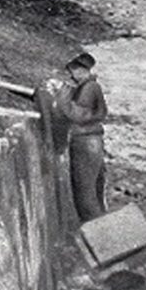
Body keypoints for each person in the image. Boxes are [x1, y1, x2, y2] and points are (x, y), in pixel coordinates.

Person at [57, 52, 108, 222]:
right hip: (93, 141)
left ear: (81, 70)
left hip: (85, 142)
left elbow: (79, 115)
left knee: (85, 195)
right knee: (95, 192)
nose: (72, 76)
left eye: (73, 71)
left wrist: (63, 99)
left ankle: (101, 238)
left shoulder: (89, 88)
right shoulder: (92, 86)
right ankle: (108, 233)